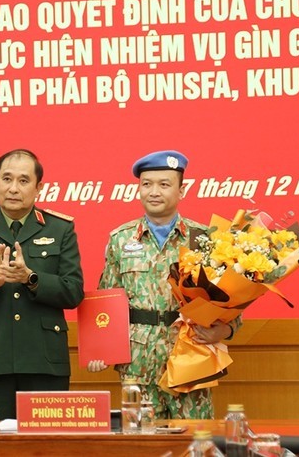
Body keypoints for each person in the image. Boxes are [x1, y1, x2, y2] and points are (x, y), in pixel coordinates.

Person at [88, 150, 241, 419]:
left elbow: (232, 299)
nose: (153, 192)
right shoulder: (120, 240)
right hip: (137, 363)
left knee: (195, 441)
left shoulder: (204, 239)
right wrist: (100, 349)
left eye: (164, 184)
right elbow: (106, 300)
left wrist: (225, 331)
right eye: (146, 184)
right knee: (141, 444)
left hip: (191, 358)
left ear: (182, 191)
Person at [0, 149, 84, 420]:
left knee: (48, 445)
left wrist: (31, 278)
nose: (13, 188)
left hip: (44, 361)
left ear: (38, 188)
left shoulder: (60, 228)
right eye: (6, 179)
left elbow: (73, 291)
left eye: (23, 181)